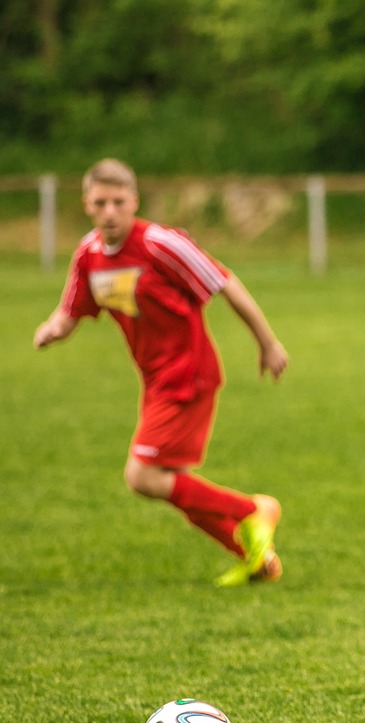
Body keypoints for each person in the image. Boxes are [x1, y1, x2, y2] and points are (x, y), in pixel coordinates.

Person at [33, 158, 289, 588]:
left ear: (134, 201)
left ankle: (253, 510)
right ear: (87, 206)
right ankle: (257, 559)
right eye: (101, 203)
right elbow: (70, 312)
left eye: (118, 201)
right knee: (170, 481)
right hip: (154, 382)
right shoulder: (89, 255)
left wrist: (267, 342)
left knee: (144, 477)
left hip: (189, 374)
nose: (110, 210)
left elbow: (225, 282)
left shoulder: (159, 244)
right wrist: (50, 331)